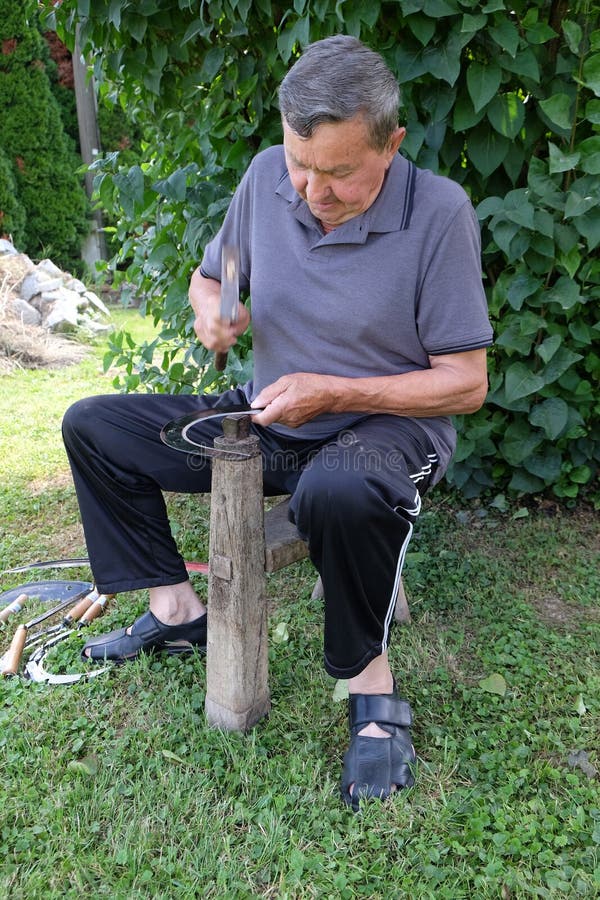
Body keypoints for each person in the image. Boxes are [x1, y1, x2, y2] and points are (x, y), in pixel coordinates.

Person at [62, 35, 493, 811]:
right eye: (302, 164)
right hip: (268, 416)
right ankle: (176, 613)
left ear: (391, 144)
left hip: (384, 434)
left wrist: (332, 390)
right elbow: (216, 274)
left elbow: (465, 384)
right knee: (94, 426)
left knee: (341, 489)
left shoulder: (439, 214)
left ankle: (373, 698)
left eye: (337, 172)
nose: (311, 190)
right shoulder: (266, 177)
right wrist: (216, 312)